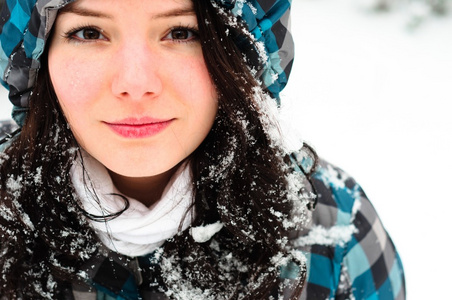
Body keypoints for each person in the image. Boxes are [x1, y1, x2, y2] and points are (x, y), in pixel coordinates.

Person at [0, 0, 405, 299]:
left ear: (241, 57)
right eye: (89, 32)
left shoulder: (334, 231)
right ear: (36, 58)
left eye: (181, 32)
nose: (136, 83)